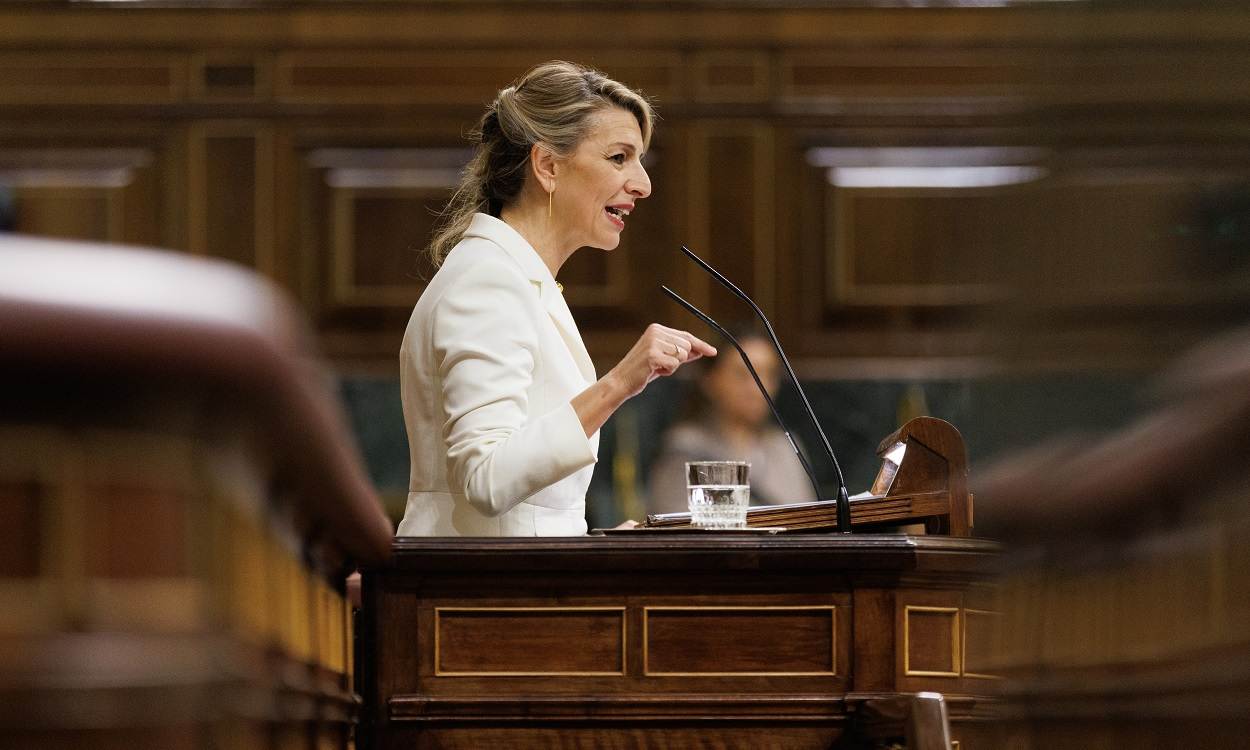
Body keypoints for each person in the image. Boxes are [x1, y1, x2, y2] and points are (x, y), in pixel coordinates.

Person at [396, 61, 715, 537]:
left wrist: (596, 542)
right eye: (618, 158)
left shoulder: (518, 278)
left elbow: (527, 511)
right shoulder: (488, 282)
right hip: (478, 599)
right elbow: (487, 479)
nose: (643, 184)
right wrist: (620, 383)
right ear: (547, 166)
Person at [646, 327, 815, 515]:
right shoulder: (684, 448)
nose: (757, 388)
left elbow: (808, 518)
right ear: (710, 379)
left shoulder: (785, 446)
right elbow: (671, 525)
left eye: (768, 374)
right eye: (742, 374)